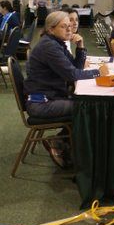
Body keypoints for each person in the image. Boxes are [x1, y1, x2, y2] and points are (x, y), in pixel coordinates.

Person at [24, 11, 100, 167]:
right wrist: (99, 73)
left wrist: (80, 46)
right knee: (86, 107)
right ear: (51, 29)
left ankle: (62, 141)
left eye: (70, 26)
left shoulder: (56, 43)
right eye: (64, 26)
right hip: (41, 103)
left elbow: (74, 68)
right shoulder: (49, 47)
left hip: (50, 97)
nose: (69, 30)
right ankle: (60, 141)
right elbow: (72, 75)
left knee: (85, 104)